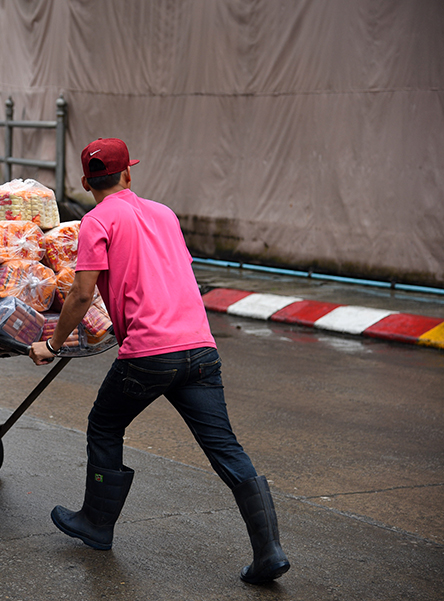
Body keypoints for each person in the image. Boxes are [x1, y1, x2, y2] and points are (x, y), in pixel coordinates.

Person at [29, 138, 290, 584]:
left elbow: (81, 293)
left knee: (105, 425)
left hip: (150, 354)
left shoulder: (96, 221)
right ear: (128, 174)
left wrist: (51, 344)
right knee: (225, 448)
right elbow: (167, 274)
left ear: (86, 182)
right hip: (200, 349)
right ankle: (269, 551)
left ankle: (96, 523)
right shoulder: (165, 214)